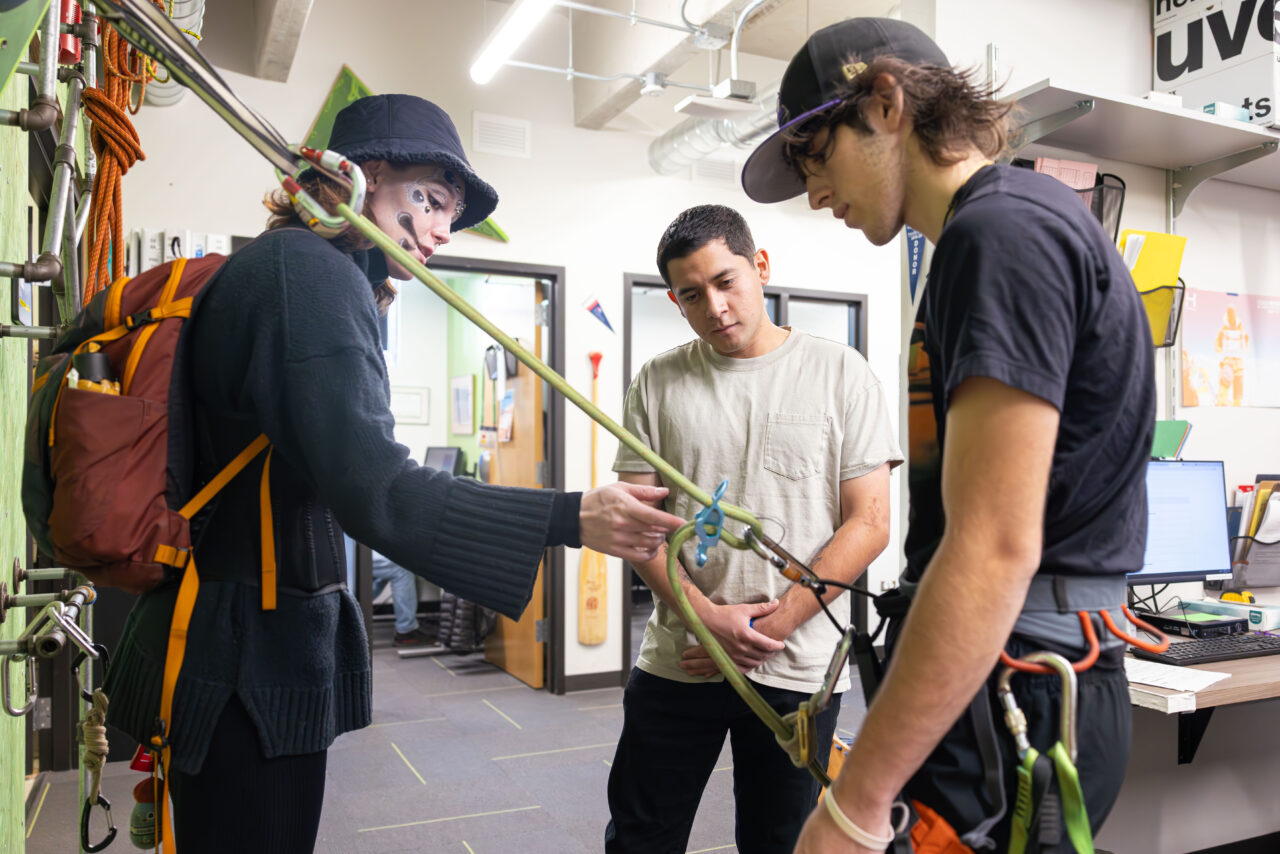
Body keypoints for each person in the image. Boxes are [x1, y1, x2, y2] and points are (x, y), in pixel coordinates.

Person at [103, 93, 685, 853]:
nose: (443, 229)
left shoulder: (293, 266)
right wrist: (572, 517)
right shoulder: (308, 276)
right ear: (361, 178)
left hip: (231, 644)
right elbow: (375, 487)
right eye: (432, 201)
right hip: (242, 660)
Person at [740, 18, 1155, 853]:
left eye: (815, 155)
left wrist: (857, 804)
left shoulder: (999, 235)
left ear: (886, 105)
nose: (815, 194)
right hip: (1016, 671)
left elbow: (994, 547)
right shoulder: (999, 231)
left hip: (1025, 682)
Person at [605, 204, 902, 854]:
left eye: (725, 281)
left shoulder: (839, 371)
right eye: (691, 294)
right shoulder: (657, 381)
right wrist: (709, 619)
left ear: (759, 267)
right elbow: (635, 524)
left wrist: (773, 625)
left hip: (797, 667)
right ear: (675, 301)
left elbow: (871, 522)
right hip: (682, 657)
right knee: (640, 836)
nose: (713, 306)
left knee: (780, 840)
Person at [343, 534, 431, 645]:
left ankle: (350, 610)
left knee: (384, 572)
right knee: (401, 567)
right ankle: (406, 630)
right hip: (353, 544)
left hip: (352, 543)